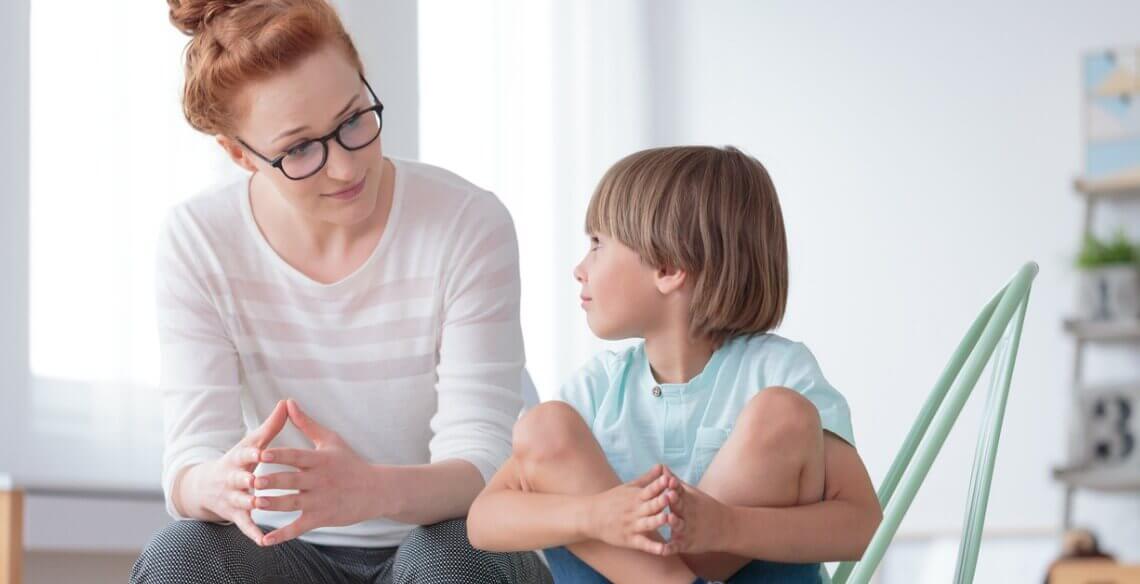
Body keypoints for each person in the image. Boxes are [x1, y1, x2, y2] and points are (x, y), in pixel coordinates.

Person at [131, 1, 550, 582]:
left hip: (434, 537)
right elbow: (189, 465)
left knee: (457, 555)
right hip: (286, 550)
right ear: (239, 155)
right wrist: (219, 483)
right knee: (185, 552)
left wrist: (371, 490)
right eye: (300, 149)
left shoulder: (466, 222)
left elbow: (484, 462)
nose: (348, 168)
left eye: (354, 119)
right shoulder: (198, 240)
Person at [467, 146, 883, 583]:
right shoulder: (598, 388)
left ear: (668, 267)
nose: (579, 268)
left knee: (783, 413)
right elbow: (483, 520)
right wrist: (595, 515)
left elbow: (861, 524)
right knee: (543, 425)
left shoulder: (779, 372)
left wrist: (727, 524)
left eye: (597, 245)